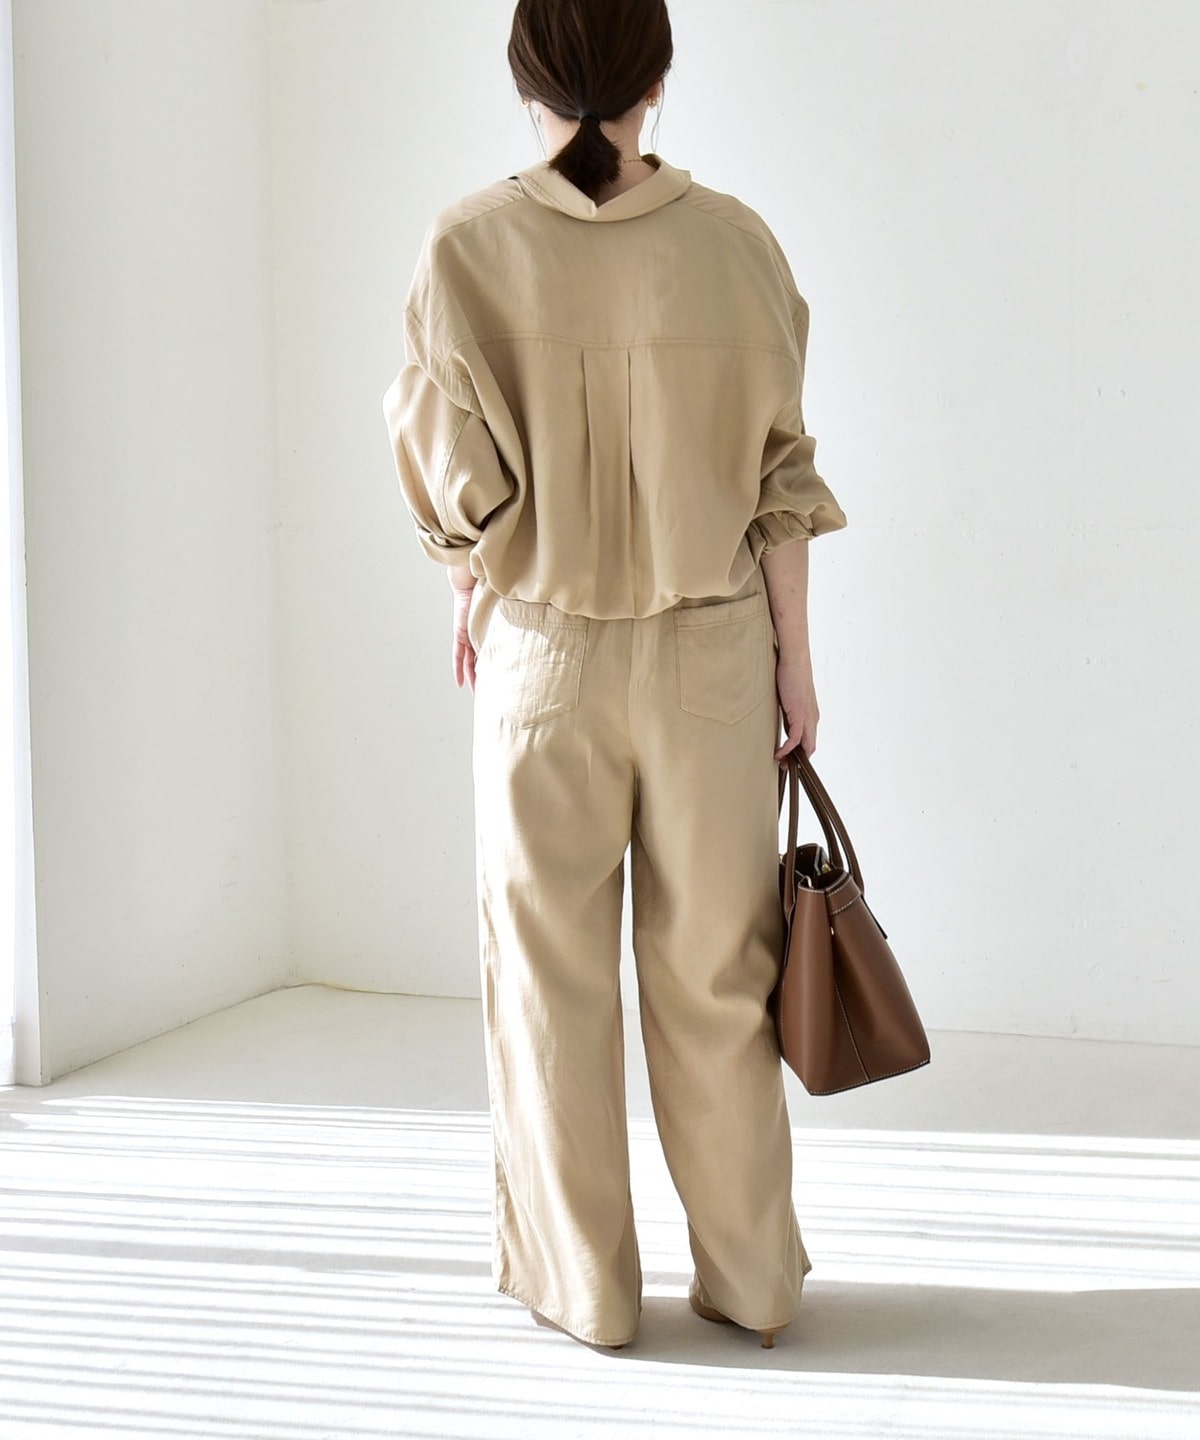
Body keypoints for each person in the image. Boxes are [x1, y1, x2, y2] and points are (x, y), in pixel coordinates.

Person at [381, 0, 848, 1352]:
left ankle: (583, 1292)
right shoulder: (739, 245)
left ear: (524, 78)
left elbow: (447, 474)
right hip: (715, 656)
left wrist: (469, 584)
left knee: (550, 982)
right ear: (660, 79)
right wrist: (795, 665)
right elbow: (780, 480)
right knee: (718, 980)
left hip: (542, 657)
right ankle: (753, 1283)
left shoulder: (466, 247)